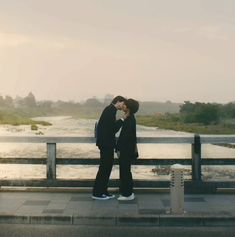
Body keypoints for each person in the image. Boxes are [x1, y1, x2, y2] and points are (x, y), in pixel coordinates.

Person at [92, 95, 127, 200]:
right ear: (118, 101)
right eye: (123, 103)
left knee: (106, 168)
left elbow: (108, 128)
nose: (123, 106)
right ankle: (97, 193)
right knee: (104, 168)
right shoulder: (110, 110)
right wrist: (122, 119)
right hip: (106, 144)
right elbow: (112, 129)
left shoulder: (110, 109)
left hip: (105, 144)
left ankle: (103, 191)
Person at [116, 98, 139, 201]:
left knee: (125, 171)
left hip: (126, 149)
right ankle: (125, 192)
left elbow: (125, 137)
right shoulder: (130, 118)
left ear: (128, 108)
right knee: (125, 171)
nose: (123, 106)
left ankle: (128, 194)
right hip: (127, 149)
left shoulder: (129, 119)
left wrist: (118, 149)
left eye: (125, 105)